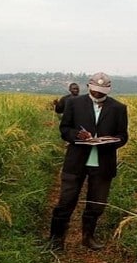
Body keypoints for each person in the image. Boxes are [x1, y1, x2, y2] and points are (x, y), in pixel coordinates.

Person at [49, 72, 129, 251]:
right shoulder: (73, 104)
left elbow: (123, 136)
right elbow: (64, 129)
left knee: (97, 203)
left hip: (103, 162)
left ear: (108, 89)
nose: (98, 94)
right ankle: (56, 238)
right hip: (76, 160)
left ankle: (88, 236)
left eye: (102, 91)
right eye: (95, 90)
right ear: (89, 87)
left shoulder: (118, 108)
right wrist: (76, 135)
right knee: (66, 201)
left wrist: (111, 140)